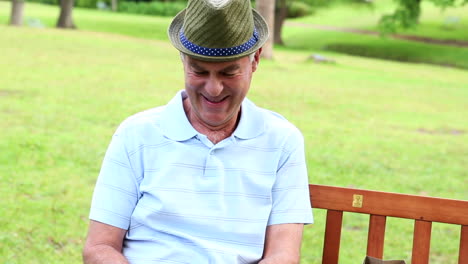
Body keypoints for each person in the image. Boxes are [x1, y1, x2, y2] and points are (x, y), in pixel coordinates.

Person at [82, 0, 313, 262]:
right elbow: (100, 248)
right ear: (182, 60)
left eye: (228, 73)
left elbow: (283, 256)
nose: (213, 89)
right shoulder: (135, 134)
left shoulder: (282, 141)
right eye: (199, 71)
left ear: (255, 60)